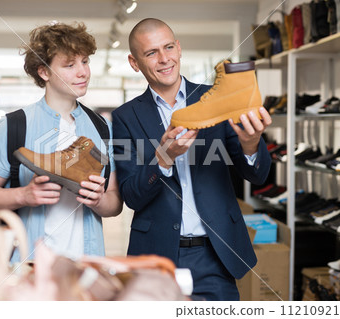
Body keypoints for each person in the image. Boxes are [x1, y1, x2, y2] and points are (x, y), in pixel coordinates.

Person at [112, 18, 272, 300]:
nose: (164, 59)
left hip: (216, 253)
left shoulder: (216, 98)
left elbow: (257, 176)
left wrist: (251, 143)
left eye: (168, 47)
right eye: (151, 53)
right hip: (156, 255)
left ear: (179, 48)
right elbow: (131, 196)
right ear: (134, 62)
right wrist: (163, 159)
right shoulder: (126, 116)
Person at [0, 22, 123, 261]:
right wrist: (24, 195)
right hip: (28, 263)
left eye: (85, 61)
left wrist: (100, 200)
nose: (83, 72)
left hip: (86, 263)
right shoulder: (15, 125)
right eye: (70, 65)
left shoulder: (102, 127)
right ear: (44, 72)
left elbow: (114, 202)